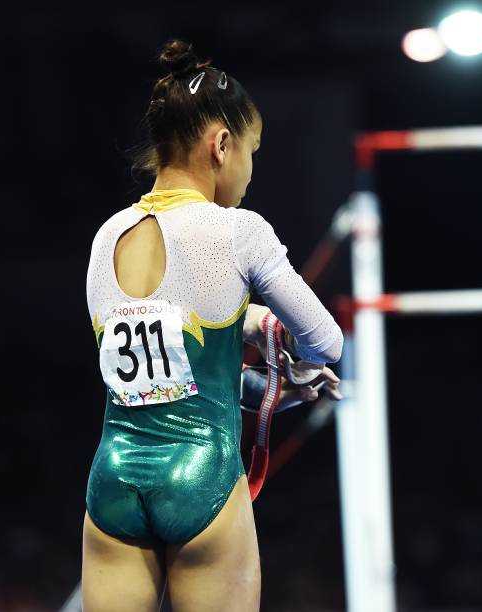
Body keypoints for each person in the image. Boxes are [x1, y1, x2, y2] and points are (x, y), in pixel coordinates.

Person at [82, 39, 344, 612]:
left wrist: (252, 352)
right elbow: (326, 340)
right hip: (203, 472)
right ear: (221, 145)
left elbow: (158, 375)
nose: (250, 172)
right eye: (252, 151)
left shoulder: (106, 238)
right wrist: (285, 362)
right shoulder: (237, 229)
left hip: (115, 478)